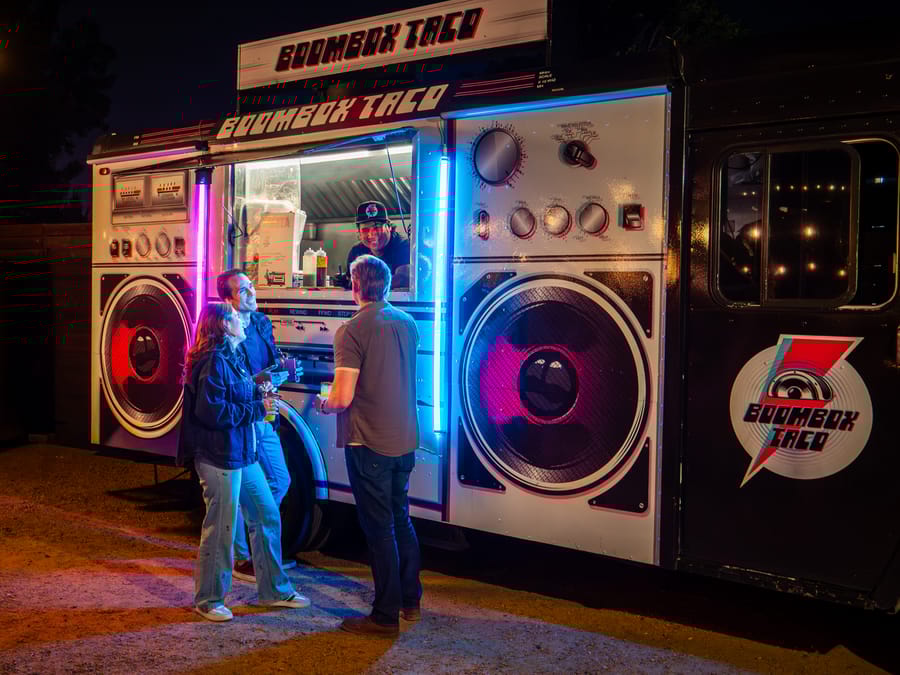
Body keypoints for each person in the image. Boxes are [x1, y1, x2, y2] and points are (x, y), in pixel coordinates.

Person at [178, 302, 309, 622]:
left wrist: (269, 383)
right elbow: (212, 413)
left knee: (266, 514)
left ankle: (274, 591)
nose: (242, 320)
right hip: (219, 456)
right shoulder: (212, 361)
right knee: (220, 528)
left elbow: (242, 389)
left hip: (241, 454)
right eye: (234, 317)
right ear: (222, 326)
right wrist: (258, 410)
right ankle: (208, 599)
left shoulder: (232, 358)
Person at [315, 254, 422, 636]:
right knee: (401, 519)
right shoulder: (407, 323)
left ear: (356, 286)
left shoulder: (352, 330)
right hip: (404, 439)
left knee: (379, 530)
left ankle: (384, 615)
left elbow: (342, 397)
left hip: (369, 441)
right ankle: (410, 601)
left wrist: (323, 404)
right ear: (388, 286)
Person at [217, 268, 297, 582]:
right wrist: (262, 381)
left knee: (280, 479)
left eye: (251, 287)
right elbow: (232, 382)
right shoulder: (225, 329)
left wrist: (283, 370)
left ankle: (254, 544)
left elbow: (271, 358)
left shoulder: (261, 322)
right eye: (244, 290)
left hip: (265, 411)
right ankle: (242, 557)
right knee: (246, 487)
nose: (252, 294)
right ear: (228, 300)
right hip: (243, 415)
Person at [346, 200, 412, 289]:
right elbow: (351, 280)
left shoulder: (403, 247)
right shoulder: (357, 252)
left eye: (377, 227)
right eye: (365, 229)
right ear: (359, 234)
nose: (372, 234)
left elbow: (403, 278)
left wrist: (367, 286)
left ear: (389, 227)